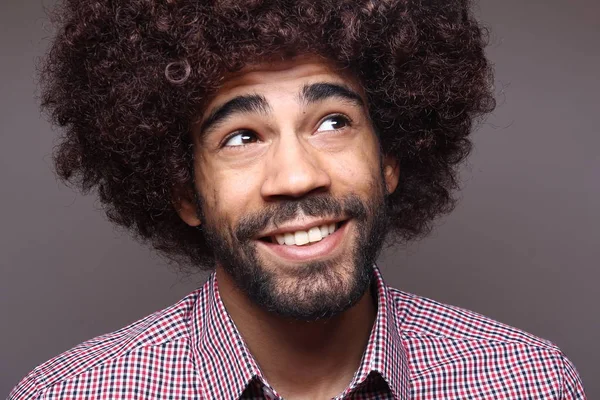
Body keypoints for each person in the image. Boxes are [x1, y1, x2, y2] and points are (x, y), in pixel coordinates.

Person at [10, 0, 586, 399]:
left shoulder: (528, 379)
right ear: (187, 193)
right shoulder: (71, 392)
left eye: (332, 122)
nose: (296, 176)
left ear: (388, 160)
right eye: (241, 137)